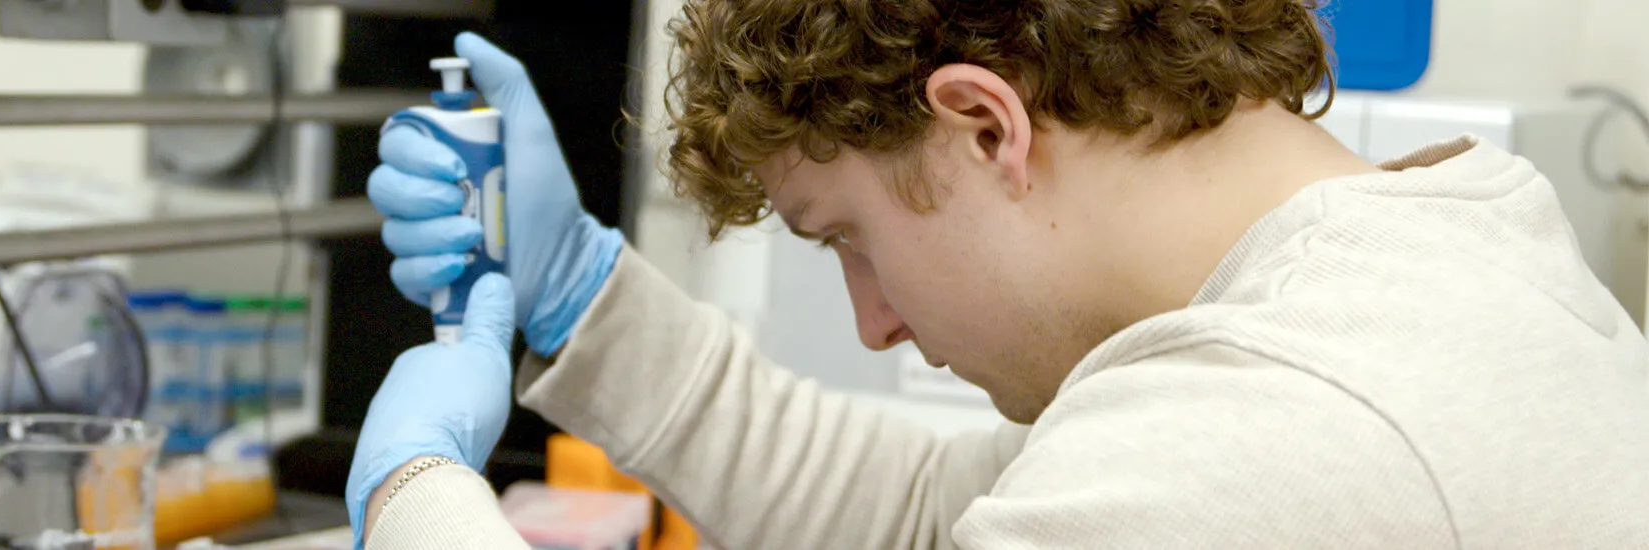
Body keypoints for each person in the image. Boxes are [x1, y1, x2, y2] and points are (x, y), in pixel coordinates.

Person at [346, 1, 1649, 548]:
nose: (872, 322)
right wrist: (588, 292)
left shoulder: (1280, 441)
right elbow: (931, 511)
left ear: (984, 125)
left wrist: (415, 491)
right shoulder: (1435, 246)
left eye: (846, 233)